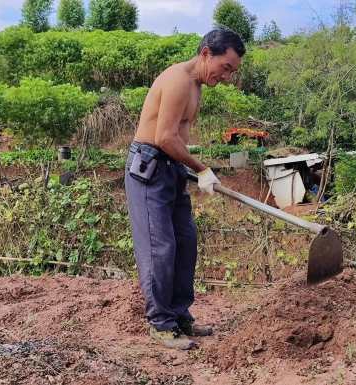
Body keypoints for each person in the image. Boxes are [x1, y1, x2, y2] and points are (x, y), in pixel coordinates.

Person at [124, 28, 245, 350]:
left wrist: (188, 167)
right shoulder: (178, 80)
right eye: (226, 67)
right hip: (149, 168)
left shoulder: (197, 85)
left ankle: (179, 316)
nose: (227, 76)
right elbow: (164, 137)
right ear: (207, 53)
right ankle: (161, 324)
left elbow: (177, 137)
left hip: (170, 168)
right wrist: (202, 169)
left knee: (185, 243)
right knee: (159, 248)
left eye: (232, 71)